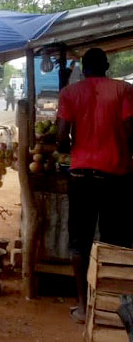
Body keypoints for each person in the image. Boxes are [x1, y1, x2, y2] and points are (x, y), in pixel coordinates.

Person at [56, 48, 133, 323]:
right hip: (116, 175)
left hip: (81, 176)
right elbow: (129, 131)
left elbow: (62, 138)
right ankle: (114, 304)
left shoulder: (69, 93)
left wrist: (74, 143)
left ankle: (82, 306)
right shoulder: (124, 90)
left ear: (83, 69)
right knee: (117, 240)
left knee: (80, 241)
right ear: (107, 66)